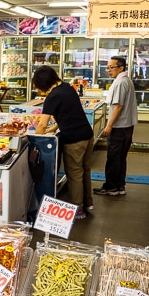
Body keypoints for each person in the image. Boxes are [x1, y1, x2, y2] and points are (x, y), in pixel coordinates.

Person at [33, 66, 95, 220]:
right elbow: (69, 113)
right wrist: (54, 127)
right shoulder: (67, 87)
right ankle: (88, 203)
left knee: (74, 174)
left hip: (74, 140)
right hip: (87, 135)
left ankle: (78, 209)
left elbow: (41, 125)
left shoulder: (52, 97)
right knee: (85, 170)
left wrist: (35, 139)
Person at [94, 55, 138, 196]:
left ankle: (111, 187)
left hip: (119, 127)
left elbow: (118, 107)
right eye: (107, 67)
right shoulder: (126, 81)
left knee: (113, 158)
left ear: (121, 68)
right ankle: (119, 186)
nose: (108, 70)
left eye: (111, 67)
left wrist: (108, 126)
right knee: (120, 158)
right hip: (127, 126)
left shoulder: (120, 83)